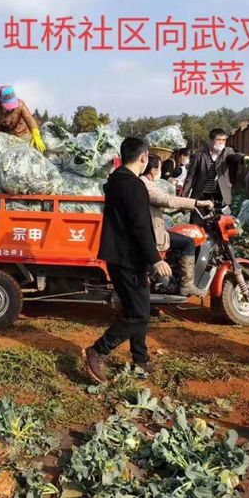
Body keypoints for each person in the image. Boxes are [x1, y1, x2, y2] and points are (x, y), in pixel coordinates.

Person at [83, 137, 172, 383]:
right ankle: (98, 350)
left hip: (122, 256)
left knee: (139, 308)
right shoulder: (133, 186)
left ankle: (140, 358)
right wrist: (155, 259)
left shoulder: (116, 181)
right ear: (144, 157)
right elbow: (140, 227)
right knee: (138, 314)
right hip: (128, 258)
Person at [141, 154, 213, 296]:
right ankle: (187, 284)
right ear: (153, 170)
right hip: (153, 234)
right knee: (188, 242)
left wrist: (181, 208)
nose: (161, 171)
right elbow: (167, 200)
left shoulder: (147, 183)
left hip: (153, 229)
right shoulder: (146, 185)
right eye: (160, 168)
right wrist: (197, 203)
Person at [183, 128, 249, 225]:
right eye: (218, 140)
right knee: (197, 224)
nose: (221, 143)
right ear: (211, 141)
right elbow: (190, 177)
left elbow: (234, 157)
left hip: (220, 196)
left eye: (224, 140)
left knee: (220, 225)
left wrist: (243, 158)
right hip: (201, 195)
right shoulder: (200, 154)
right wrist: (184, 198)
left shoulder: (227, 152)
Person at [0, 85, 46, 152]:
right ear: (0, 101)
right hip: (4, 136)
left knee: (32, 148)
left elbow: (29, 119)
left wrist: (36, 134)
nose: (11, 108)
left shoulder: (20, 104)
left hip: (22, 134)